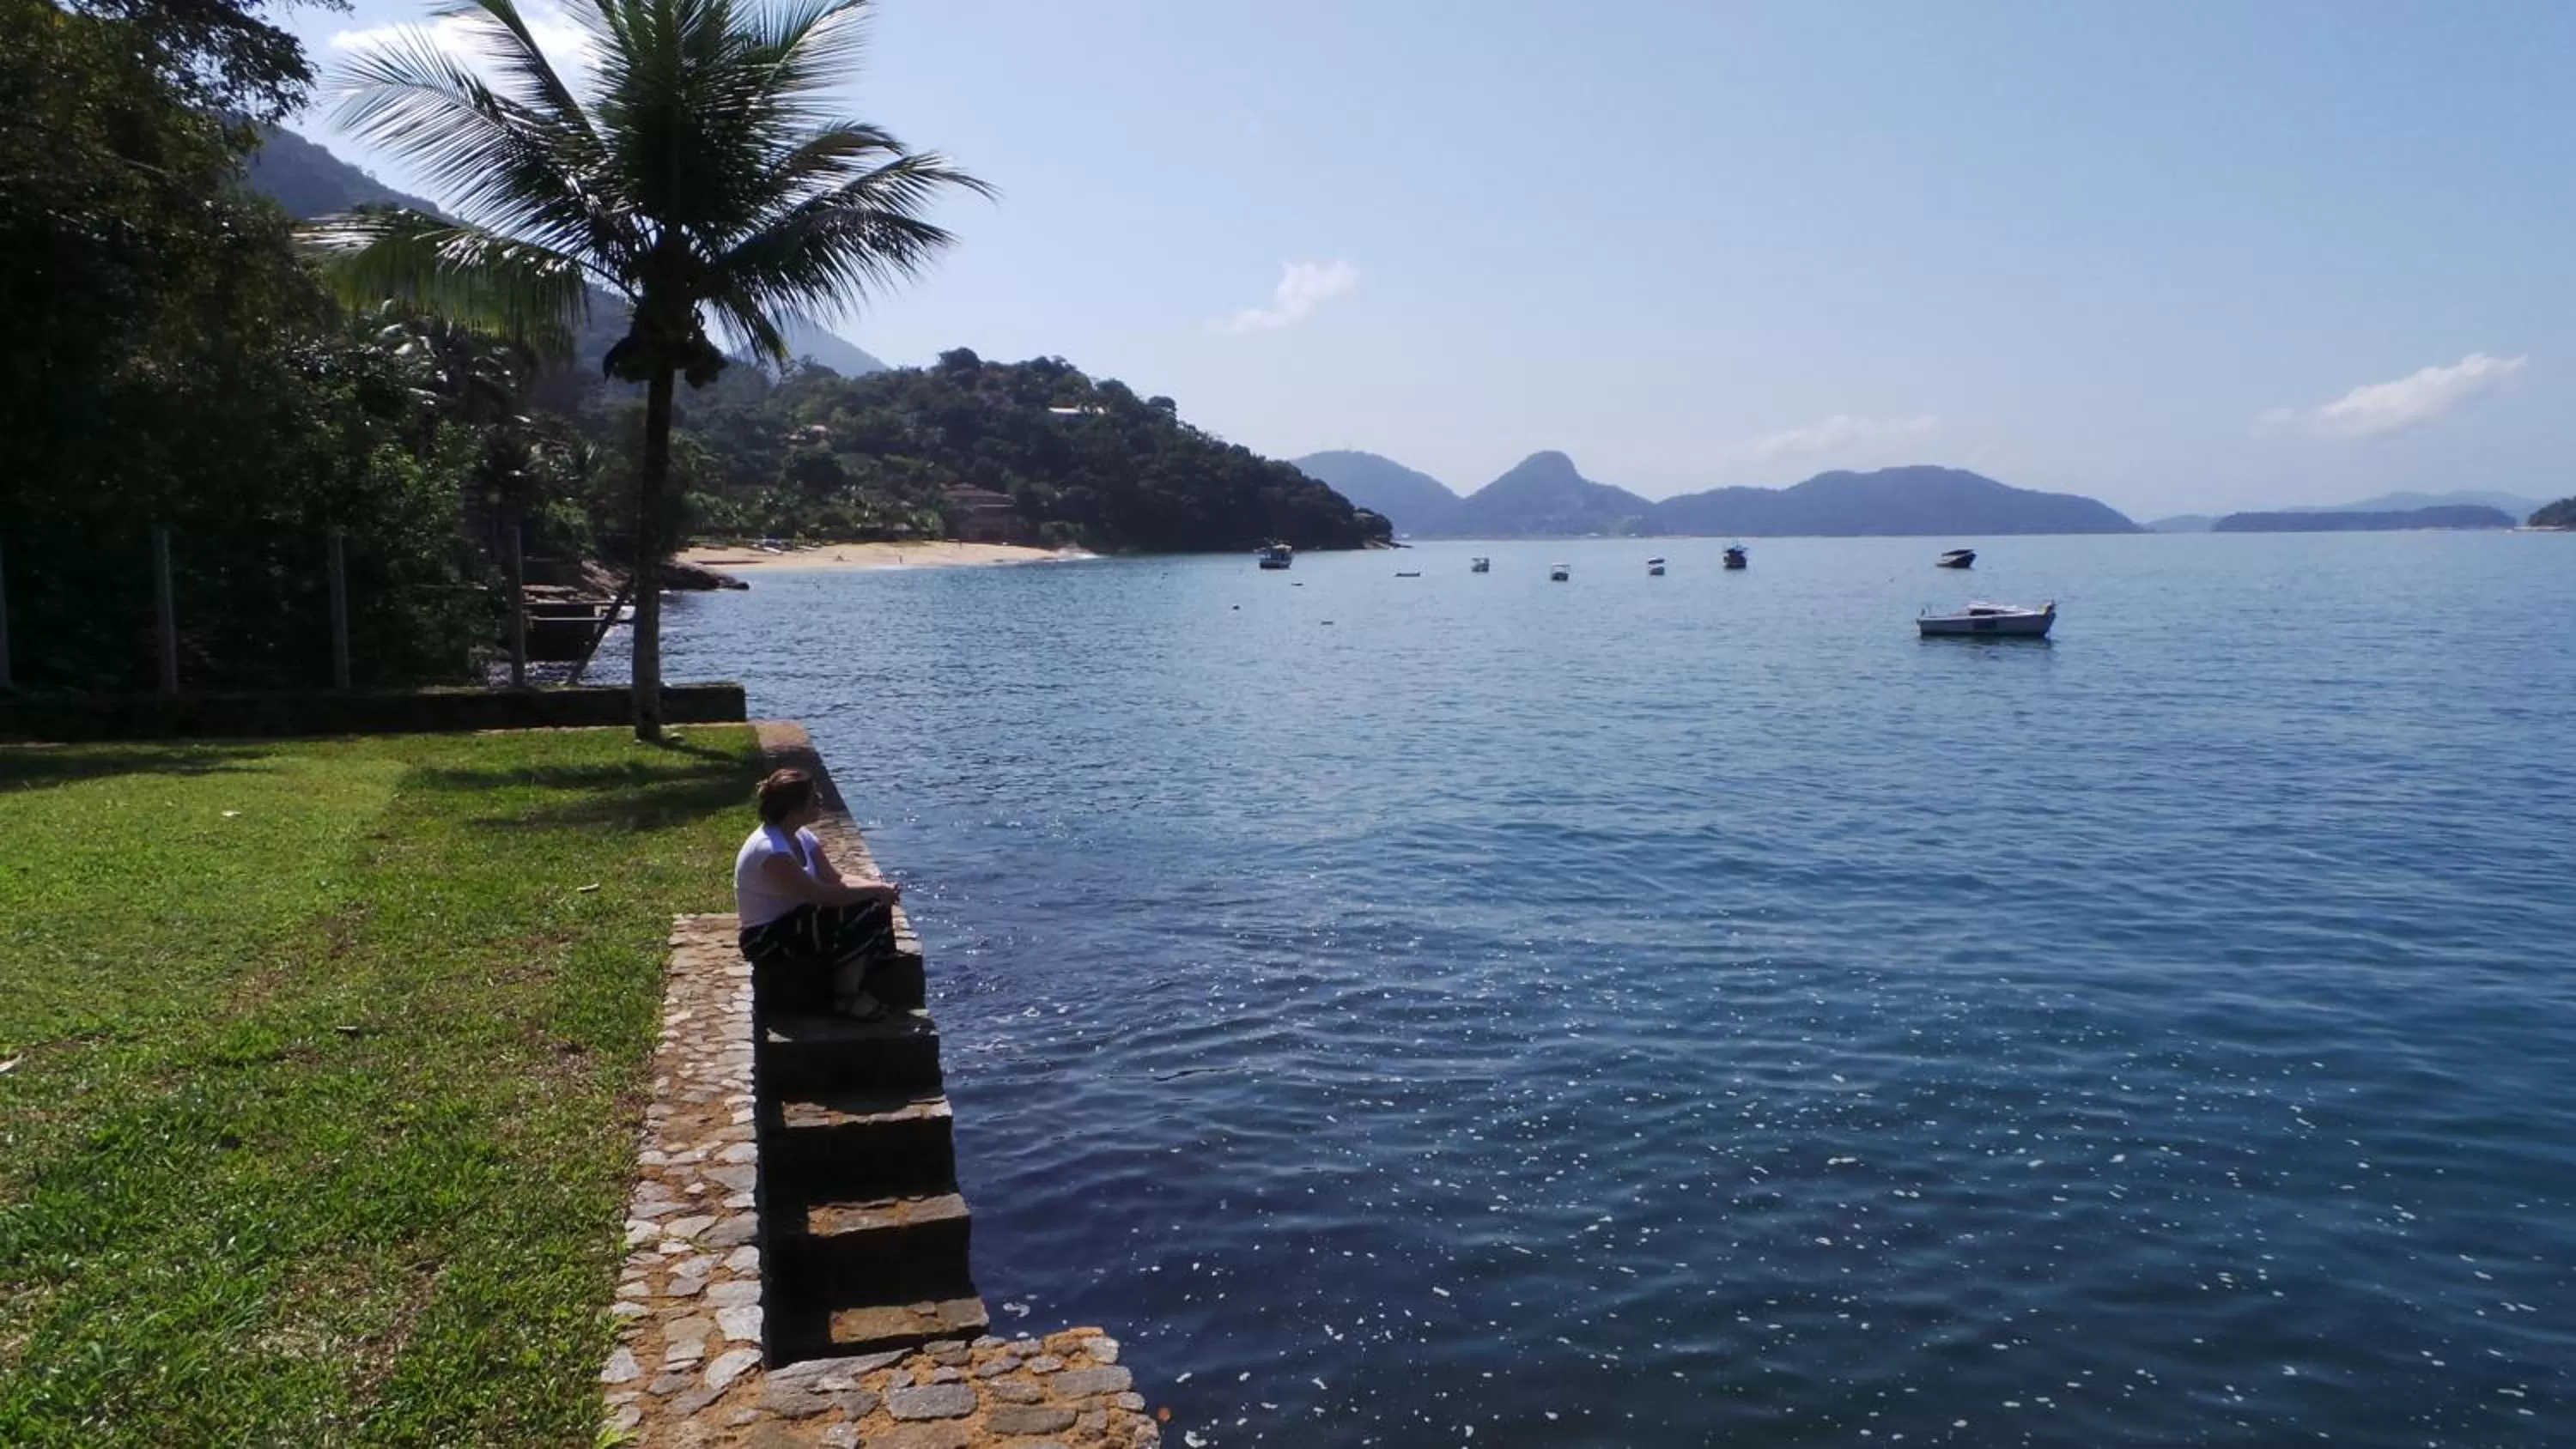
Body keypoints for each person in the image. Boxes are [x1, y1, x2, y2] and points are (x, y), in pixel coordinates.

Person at [734, 767, 902, 1021]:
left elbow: (835, 878)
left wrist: (878, 886)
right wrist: (875, 891)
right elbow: (822, 895)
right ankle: (846, 997)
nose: (820, 800)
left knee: (873, 901)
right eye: (814, 798)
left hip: (796, 919)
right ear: (795, 809)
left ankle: (867, 976)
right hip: (767, 937)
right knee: (866, 908)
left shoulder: (800, 835)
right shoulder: (771, 851)